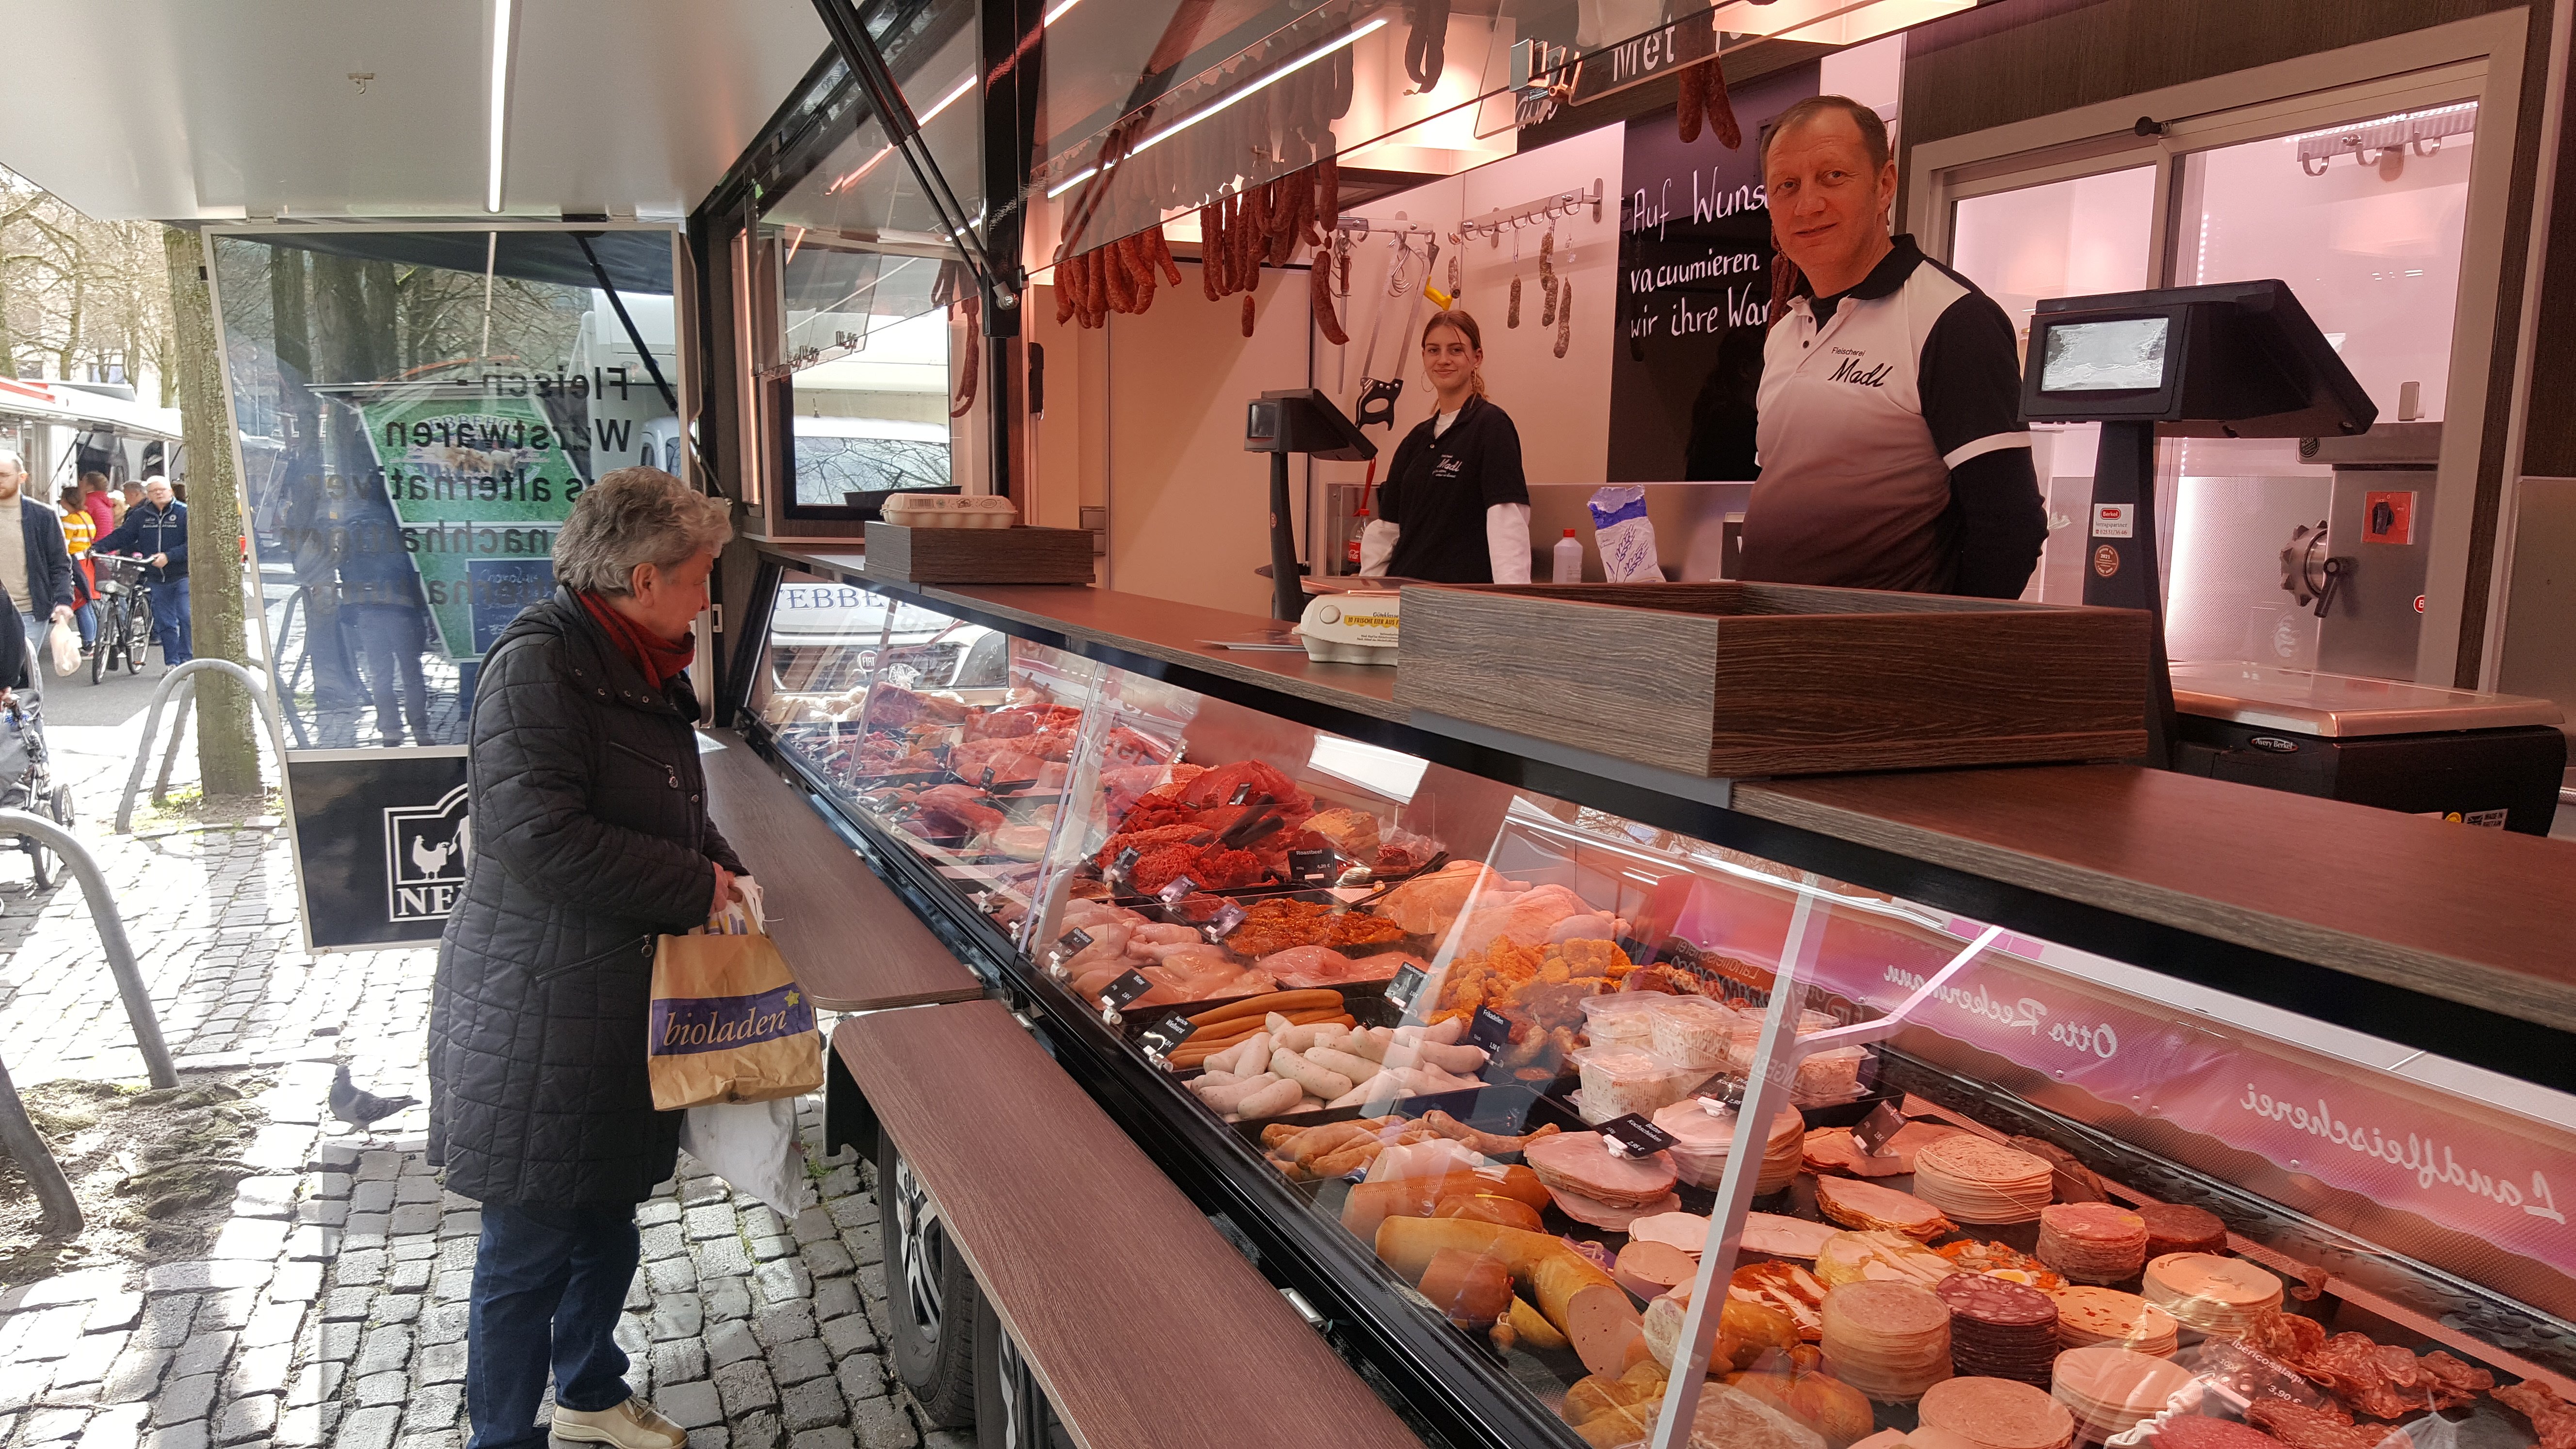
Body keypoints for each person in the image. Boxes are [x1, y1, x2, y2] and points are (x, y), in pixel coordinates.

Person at [428, 466, 744, 1449]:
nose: (709, 596)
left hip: (609, 999)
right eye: (698, 576)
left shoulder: (633, 657)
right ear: (643, 579)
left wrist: (721, 860)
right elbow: (540, 837)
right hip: (539, 1009)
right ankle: (503, 1437)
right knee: (527, 1248)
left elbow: (656, 798)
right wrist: (697, 888)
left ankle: (591, 1395)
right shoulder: (541, 664)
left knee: (606, 1215)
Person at [1741, 95, 2046, 597]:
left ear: (1884, 185)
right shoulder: (1783, 332)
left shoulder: (1951, 319)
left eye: (1832, 177)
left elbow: (2010, 528)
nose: (1807, 205)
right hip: (1768, 646)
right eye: (1786, 186)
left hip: (1880, 657)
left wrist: (1939, 648)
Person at [1356, 309, 1532, 583]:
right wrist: (1367, 597)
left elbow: (1508, 524)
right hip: (1403, 599)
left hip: (1460, 602)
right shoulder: (1415, 440)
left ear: (1477, 358)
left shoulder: (1491, 426)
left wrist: (1513, 604)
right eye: (1433, 350)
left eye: (1456, 350)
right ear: (1424, 357)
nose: (1443, 360)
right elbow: (1386, 532)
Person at [93, 475, 190, 666]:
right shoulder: (141, 515)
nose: (159, 493)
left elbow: (193, 544)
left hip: (182, 575)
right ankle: (172, 663)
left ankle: (187, 660)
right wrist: (98, 547)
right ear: (149, 495)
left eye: (163, 490)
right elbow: (124, 535)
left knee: (186, 616)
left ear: (171, 491)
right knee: (165, 622)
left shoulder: (184, 513)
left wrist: (169, 556)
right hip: (155, 576)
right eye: (154, 491)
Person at [0, 449, 79, 668]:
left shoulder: (42, 516)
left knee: (17, 674)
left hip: (26, 611)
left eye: (3, 475)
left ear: (22, 477)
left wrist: (63, 600)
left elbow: (60, 563)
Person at [56, 483, 97, 654]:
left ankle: (88, 642)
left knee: (80, 604)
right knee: (88, 602)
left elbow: (62, 546)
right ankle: (93, 639)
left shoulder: (69, 521)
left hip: (74, 563)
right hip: (87, 562)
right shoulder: (86, 517)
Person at [78, 471, 114, 542]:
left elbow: (78, 523)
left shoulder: (88, 502)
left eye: (82, 481)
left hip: (95, 546)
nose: (80, 483)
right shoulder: (104, 502)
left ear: (90, 486)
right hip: (107, 546)